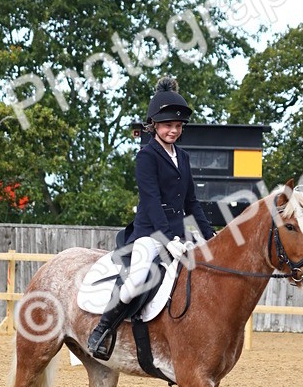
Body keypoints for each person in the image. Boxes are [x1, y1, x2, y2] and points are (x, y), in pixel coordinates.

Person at [87, 76, 216, 359]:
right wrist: (167, 240)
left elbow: (192, 202)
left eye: (178, 126)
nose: (173, 130)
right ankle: (102, 329)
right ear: (154, 125)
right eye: (168, 125)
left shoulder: (182, 156)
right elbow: (152, 201)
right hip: (149, 234)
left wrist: (211, 236)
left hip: (180, 234)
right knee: (137, 280)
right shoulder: (146, 156)